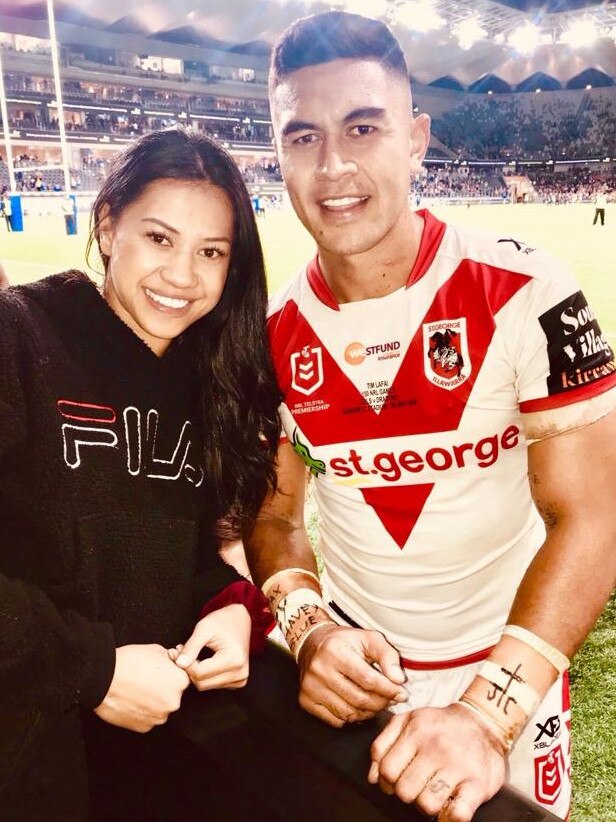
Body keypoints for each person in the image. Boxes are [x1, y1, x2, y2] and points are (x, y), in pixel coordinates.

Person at [245, 12, 616, 822]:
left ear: (415, 139)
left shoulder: (526, 291)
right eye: (302, 137)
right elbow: (274, 516)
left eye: (363, 127)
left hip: (510, 681)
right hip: (354, 682)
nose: (334, 164)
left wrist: (487, 714)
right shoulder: (267, 336)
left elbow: (595, 515)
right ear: (277, 153)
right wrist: (309, 629)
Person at [0, 128, 280, 822]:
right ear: (107, 224)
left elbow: (176, 555)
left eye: (210, 252)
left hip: (151, 768)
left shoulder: (212, 382)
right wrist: (92, 670)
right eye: (159, 238)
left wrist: (231, 608)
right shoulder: (18, 336)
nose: (183, 276)